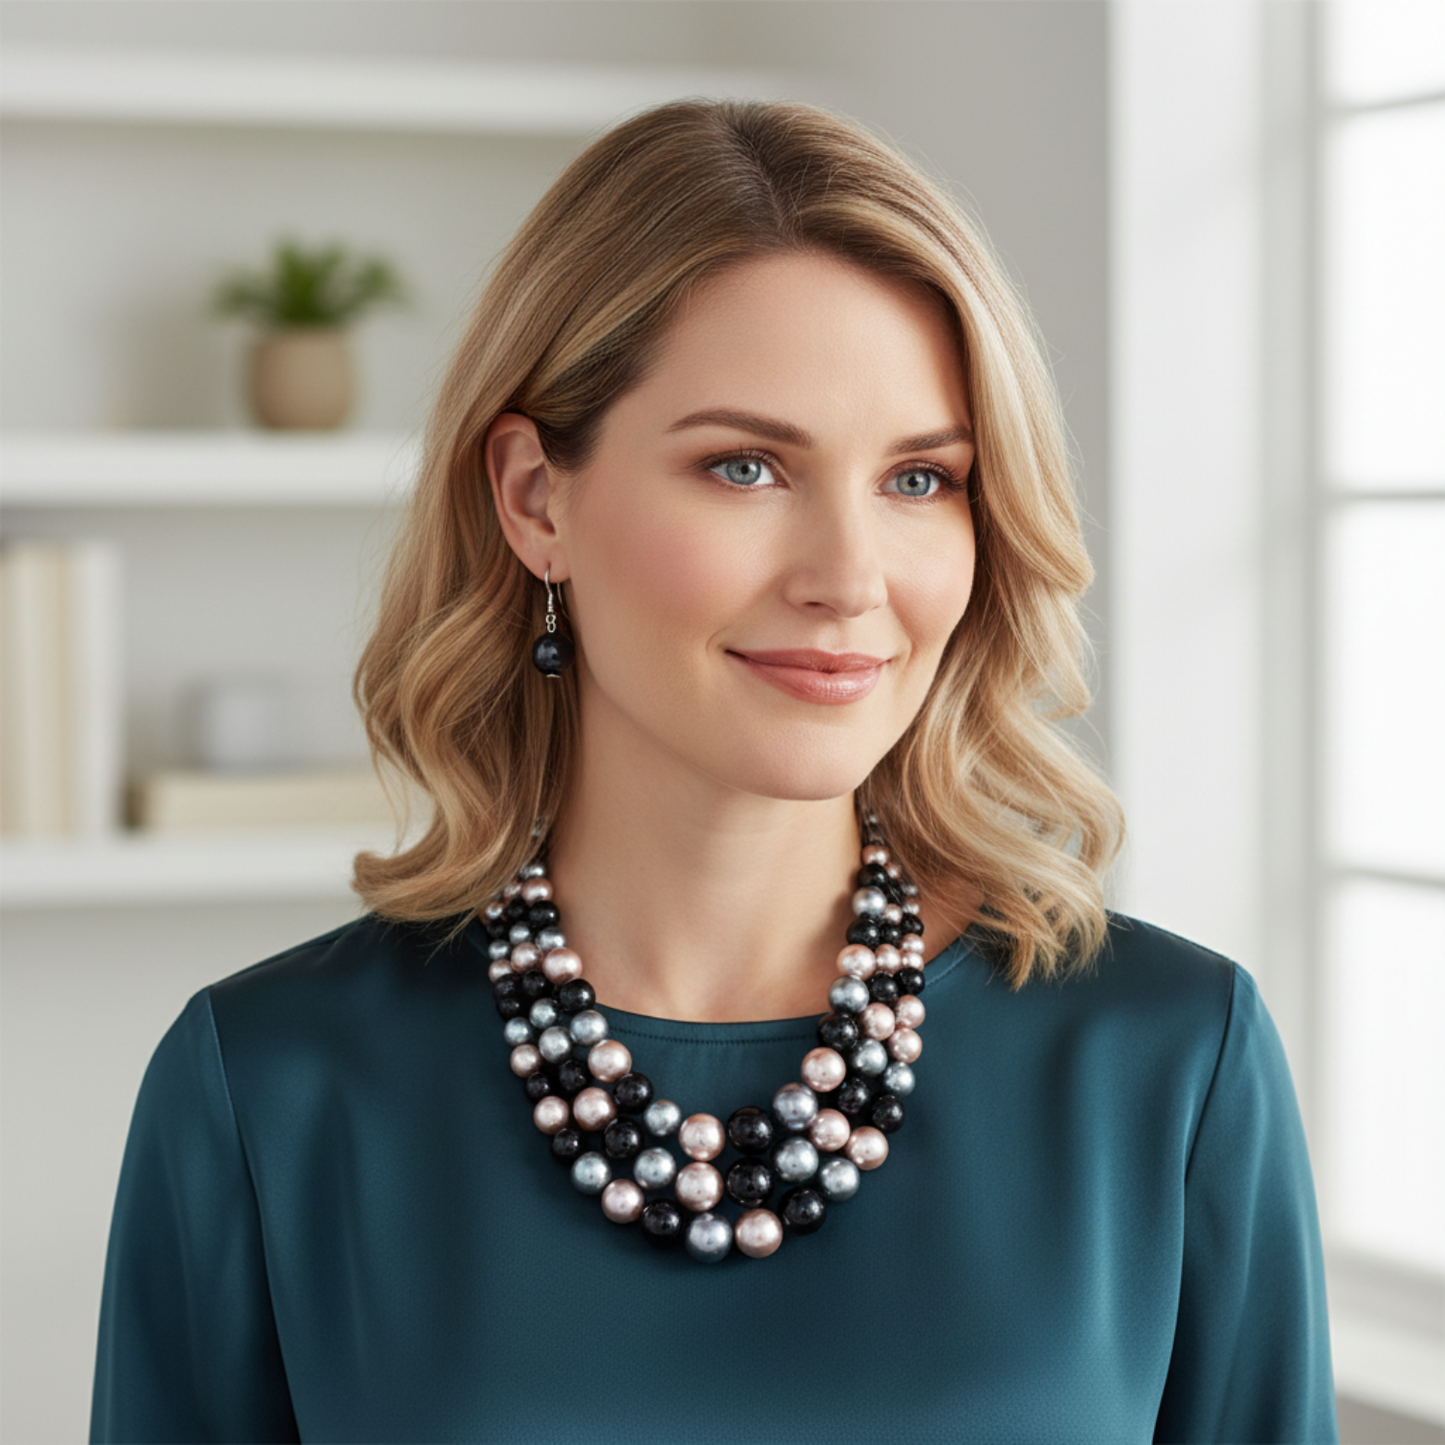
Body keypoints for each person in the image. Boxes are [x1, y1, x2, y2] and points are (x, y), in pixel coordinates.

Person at [91, 100, 1337, 1443]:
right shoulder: (272, 1086)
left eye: (921, 481)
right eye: (746, 467)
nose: (849, 580)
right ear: (534, 498)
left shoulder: (1167, 1063)